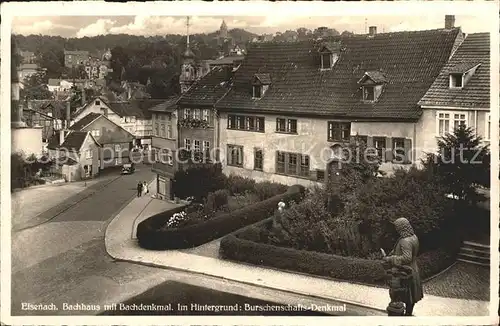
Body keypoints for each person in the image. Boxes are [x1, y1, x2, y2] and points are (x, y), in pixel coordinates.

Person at [383, 217, 424, 316]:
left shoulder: (405, 241)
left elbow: (406, 258)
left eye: (397, 227)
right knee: (410, 296)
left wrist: (390, 259)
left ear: (402, 227)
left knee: (403, 295)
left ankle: (403, 316)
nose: (396, 229)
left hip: (405, 272)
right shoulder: (413, 237)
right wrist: (392, 253)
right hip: (413, 268)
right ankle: (408, 314)